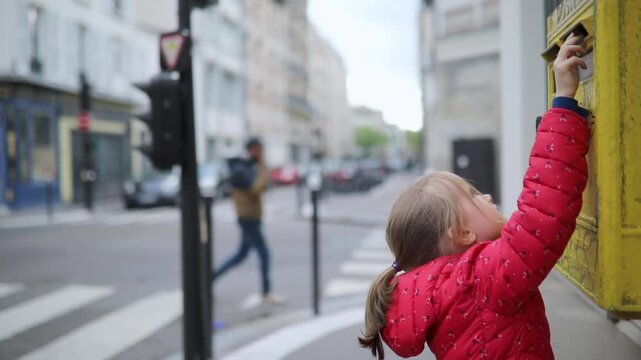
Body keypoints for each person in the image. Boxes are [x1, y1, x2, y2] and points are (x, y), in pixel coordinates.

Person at [359, 33, 589, 359]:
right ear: (462, 233)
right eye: (473, 194)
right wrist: (564, 103)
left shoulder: (443, 294)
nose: (488, 195)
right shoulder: (480, 280)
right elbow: (543, 209)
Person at [213, 137, 284, 305]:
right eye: (260, 149)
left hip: (251, 217)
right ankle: (266, 291)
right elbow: (256, 190)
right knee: (264, 254)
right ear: (252, 149)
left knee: (241, 255)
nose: (262, 153)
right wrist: (263, 169)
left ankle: (210, 278)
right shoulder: (241, 169)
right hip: (248, 219)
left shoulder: (246, 167)